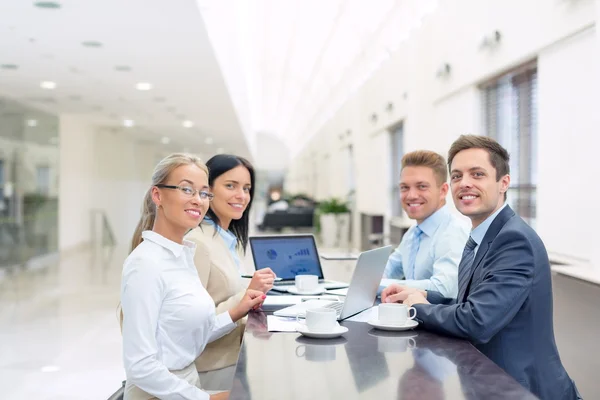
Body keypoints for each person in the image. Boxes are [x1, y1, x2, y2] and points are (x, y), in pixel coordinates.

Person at [382, 135, 579, 400]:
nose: (465, 183)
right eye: (457, 176)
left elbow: (477, 321)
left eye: (477, 174)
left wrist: (418, 307)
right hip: (490, 384)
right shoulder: (482, 235)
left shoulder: (513, 240)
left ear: (503, 183)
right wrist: (425, 296)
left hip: (524, 391)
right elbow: (471, 299)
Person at [120, 153, 266, 400]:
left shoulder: (183, 255)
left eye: (203, 193)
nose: (198, 200)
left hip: (186, 386)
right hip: (157, 393)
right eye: (187, 190)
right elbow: (140, 366)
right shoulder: (145, 264)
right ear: (158, 195)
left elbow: (190, 333)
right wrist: (205, 399)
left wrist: (236, 310)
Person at [185, 154, 276, 391]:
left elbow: (222, 294)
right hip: (211, 367)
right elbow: (191, 325)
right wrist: (247, 295)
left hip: (234, 356)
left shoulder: (227, 238)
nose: (242, 196)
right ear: (207, 190)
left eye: (246, 188)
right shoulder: (198, 243)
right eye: (230, 186)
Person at [383, 150, 469, 298]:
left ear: (442, 191)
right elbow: (388, 270)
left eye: (422, 186)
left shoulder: (453, 232)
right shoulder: (413, 233)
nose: (411, 195)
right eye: (404, 187)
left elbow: (444, 289)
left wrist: (386, 286)